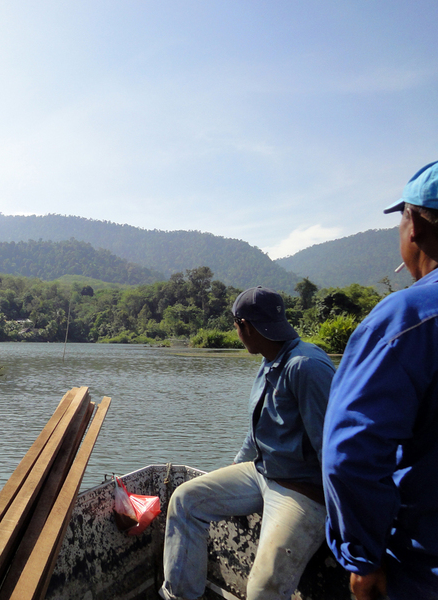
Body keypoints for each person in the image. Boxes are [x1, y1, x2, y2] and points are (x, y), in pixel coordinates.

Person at [160, 286, 336, 600]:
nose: (236, 332)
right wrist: (233, 467)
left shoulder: (305, 366)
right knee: (185, 499)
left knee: (261, 589)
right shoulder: (270, 361)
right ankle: (180, 595)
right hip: (261, 473)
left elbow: (333, 448)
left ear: (246, 327)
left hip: (301, 490)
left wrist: (348, 520)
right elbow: (257, 432)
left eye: (236, 326)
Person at [322, 160, 438, 600]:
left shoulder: (406, 320)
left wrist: (363, 559)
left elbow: (349, 456)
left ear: (415, 228)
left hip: (422, 569)